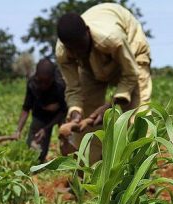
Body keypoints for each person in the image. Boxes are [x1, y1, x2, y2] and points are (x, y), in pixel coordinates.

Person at [55, 3, 152, 162]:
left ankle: (140, 174)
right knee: (87, 115)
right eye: (72, 49)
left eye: (80, 46)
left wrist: (110, 106)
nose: (77, 52)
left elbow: (130, 74)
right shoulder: (63, 52)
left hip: (132, 56)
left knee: (138, 117)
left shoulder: (111, 37)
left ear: (87, 32)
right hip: (91, 68)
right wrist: (76, 114)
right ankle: (89, 174)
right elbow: (73, 88)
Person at [12, 58, 67, 163]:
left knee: (66, 140)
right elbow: (26, 108)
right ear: (36, 75)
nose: (43, 85)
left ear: (52, 78)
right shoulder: (32, 84)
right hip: (40, 115)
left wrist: (46, 129)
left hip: (59, 116)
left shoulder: (60, 85)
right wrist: (18, 130)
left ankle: (70, 164)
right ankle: (39, 163)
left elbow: (64, 111)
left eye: (46, 82)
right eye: (40, 81)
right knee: (34, 150)